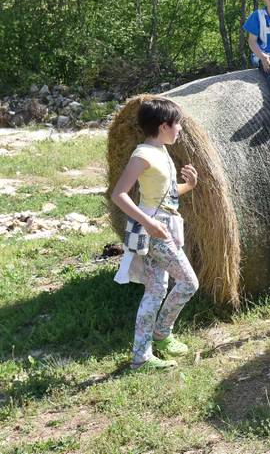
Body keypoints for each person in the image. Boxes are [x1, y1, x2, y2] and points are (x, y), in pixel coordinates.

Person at [110, 98, 200, 371]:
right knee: (188, 283)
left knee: (156, 289)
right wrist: (148, 223)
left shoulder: (162, 152)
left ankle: (142, 355)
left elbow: (166, 196)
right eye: (177, 124)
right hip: (154, 229)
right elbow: (119, 194)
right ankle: (161, 333)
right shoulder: (143, 155)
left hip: (164, 224)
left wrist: (189, 185)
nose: (181, 129)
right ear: (163, 126)